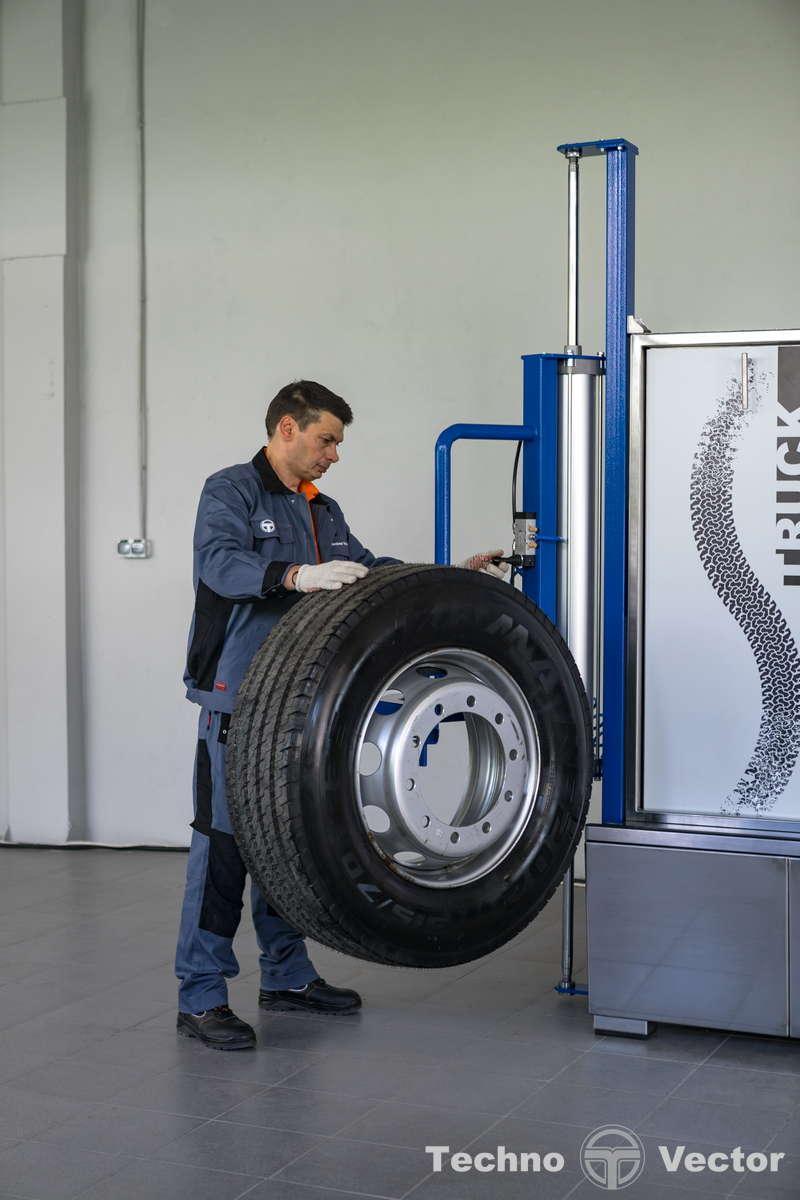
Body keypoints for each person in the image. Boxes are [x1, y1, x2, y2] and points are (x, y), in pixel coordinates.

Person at [174, 380, 508, 1049]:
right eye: (326, 439)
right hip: (237, 699)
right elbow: (219, 565)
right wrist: (294, 576)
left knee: (288, 841)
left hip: (303, 703)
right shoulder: (233, 490)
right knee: (227, 846)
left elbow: (367, 570)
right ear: (287, 428)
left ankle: (287, 977)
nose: (334, 454)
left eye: (338, 443)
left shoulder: (323, 511)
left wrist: (451, 574)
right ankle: (201, 995)